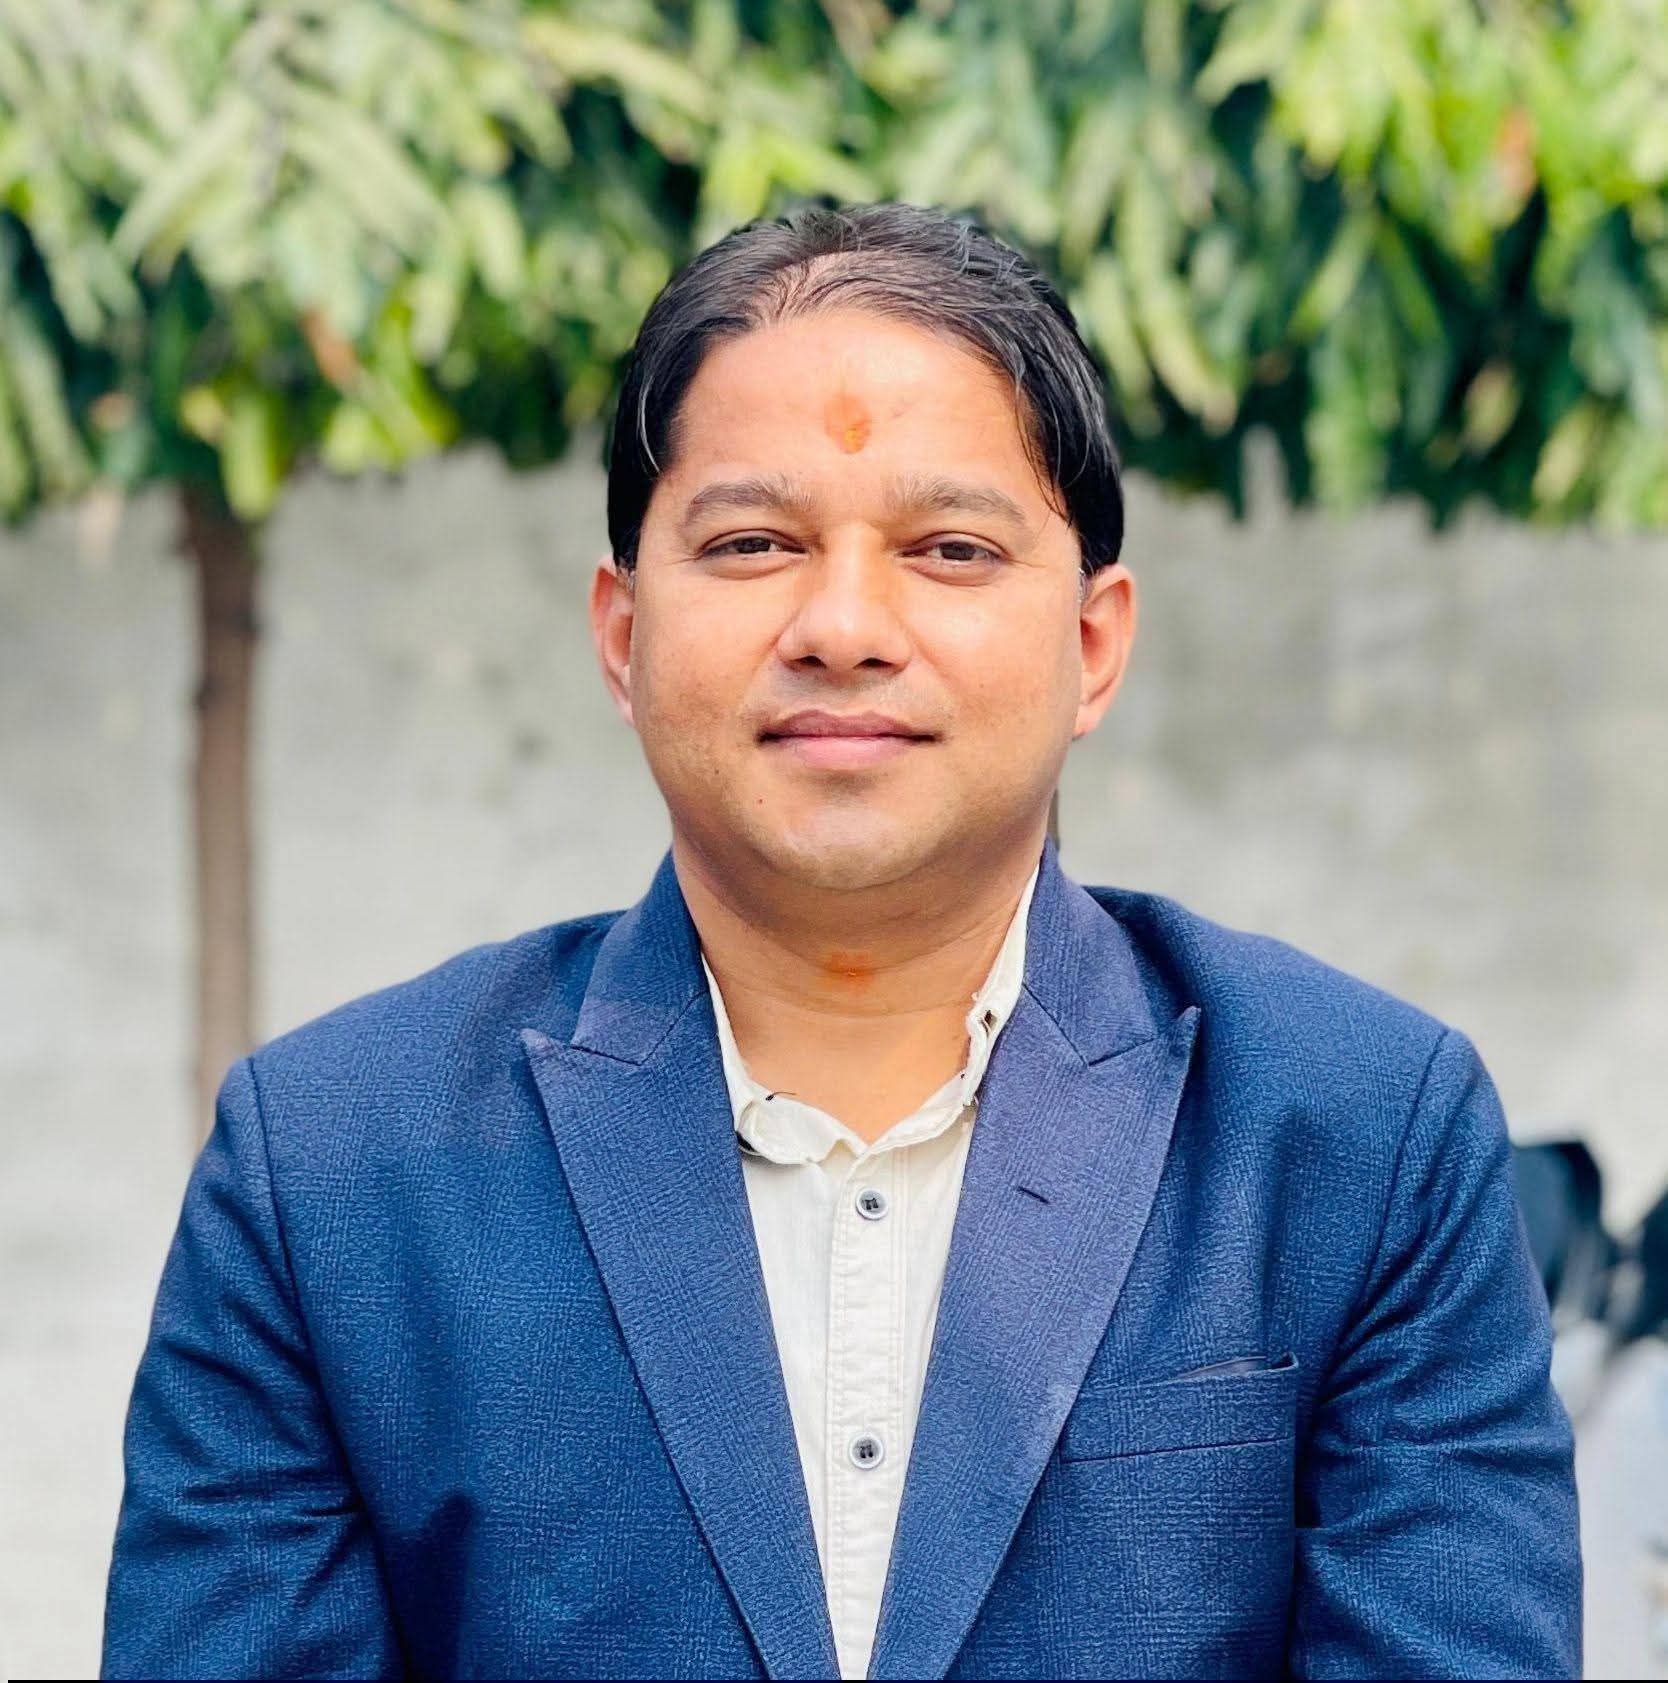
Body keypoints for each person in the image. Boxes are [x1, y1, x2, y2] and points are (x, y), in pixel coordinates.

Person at [102, 202, 1581, 1681]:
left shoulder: (1355, 1135)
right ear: (622, 635)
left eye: (950, 549)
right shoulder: (334, 1167)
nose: (845, 625)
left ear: (1092, 646)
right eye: (754, 542)